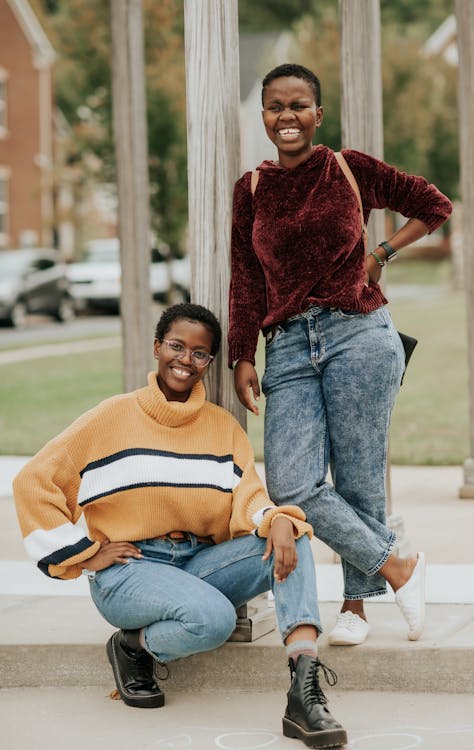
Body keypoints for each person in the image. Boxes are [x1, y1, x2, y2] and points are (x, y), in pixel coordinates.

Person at [13, 302, 348, 749]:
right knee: (214, 620)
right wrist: (86, 554)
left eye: (200, 353)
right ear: (157, 348)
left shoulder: (222, 428)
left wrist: (273, 519)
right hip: (129, 570)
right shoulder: (111, 417)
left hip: (196, 562)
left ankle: (304, 691)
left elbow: (246, 497)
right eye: (176, 346)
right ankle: (132, 645)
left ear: (210, 362)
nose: (185, 360)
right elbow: (33, 482)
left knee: (292, 536)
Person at [229, 63, 453, 648]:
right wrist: (241, 353)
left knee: (358, 474)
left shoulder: (348, 169)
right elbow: (246, 277)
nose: (287, 117)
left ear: (318, 114)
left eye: (298, 105)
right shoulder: (251, 189)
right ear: (263, 117)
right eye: (275, 107)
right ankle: (398, 565)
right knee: (292, 484)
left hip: (358, 332)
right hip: (289, 349)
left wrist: (382, 251)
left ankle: (356, 606)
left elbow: (433, 205)